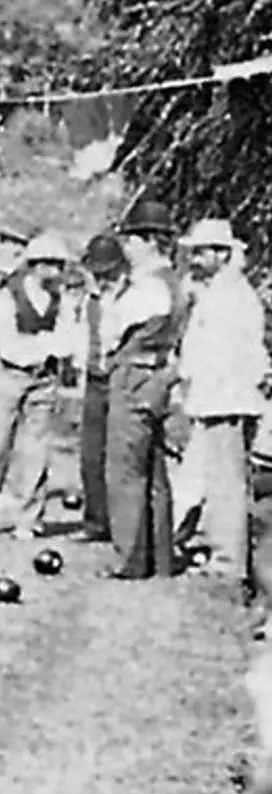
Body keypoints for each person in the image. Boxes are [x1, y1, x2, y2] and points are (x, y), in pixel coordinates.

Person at [0, 232, 82, 538]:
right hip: (10, 375)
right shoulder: (8, 294)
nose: (52, 272)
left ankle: (29, 518)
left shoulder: (61, 299)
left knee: (35, 450)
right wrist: (44, 345)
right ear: (33, 265)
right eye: (46, 264)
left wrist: (44, 346)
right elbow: (7, 342)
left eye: (57, 265)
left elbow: (67, 342)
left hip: (44, 379)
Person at [175, 218, 267, 590]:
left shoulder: (234, 297)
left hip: (228, 401)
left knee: (226, 484)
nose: (196, 259)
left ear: (222, 254)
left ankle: (229, 562)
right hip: (214, 400)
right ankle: (221, 552)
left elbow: (241, 357)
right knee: (214, 480)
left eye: (202, 252)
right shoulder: (217, 293)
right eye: (194, 252)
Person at [100, 199, 188, 581]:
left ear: (151, 242)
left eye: (132, 241)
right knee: (153, 473)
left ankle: (130, 560)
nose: (127, 248)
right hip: (156, 376)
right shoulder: (174, 283)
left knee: (124, 470)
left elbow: (114, 331)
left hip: (133, 374)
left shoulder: (148, 286)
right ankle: (160, 558)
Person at [76, 234, 128, 543]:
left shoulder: (129, 296)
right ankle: (96, 521)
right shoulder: (90, 299)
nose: (102, 278)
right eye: (97, 272)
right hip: (95, 379)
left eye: (108, 272)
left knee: (120, 455)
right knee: (91, 454)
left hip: (120, 378)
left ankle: (122, 522)